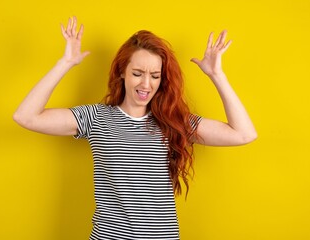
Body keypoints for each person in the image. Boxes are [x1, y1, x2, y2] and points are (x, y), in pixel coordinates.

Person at [13, 16, 257, 240]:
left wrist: (216, 75)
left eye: (155, 75)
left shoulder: (174, 121)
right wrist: (64, 63)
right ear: (122, 72)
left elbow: (244, 133)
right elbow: (26, 117)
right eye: (138, 73)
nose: (146, 84)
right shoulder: (96, 118)